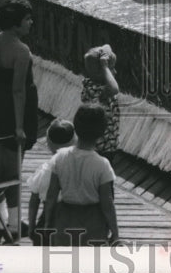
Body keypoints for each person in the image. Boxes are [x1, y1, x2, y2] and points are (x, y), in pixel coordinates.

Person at [0, 0, 38, 243]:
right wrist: (20, 126)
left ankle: (1, 219)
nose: (31, 22)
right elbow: (18, 91)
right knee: (13, 170)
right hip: (15, 111)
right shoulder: (21, 51)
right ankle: (12, 225)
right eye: (27, 19)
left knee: (1, 167)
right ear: (16, 24)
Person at [44, 103, 121, 246]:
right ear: (102, 132)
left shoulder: (59, 158)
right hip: (93, 224)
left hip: (65, 220)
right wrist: (115, 233)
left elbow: (51, 196)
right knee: (91, 264)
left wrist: (48, 223)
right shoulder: (102, 164)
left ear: (75, 128)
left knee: (65, 263)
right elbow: (107, 203)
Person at [27, 118, 76, 245]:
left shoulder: (44, 170)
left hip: (48, 222)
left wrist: (31, 226)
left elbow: (34, 201)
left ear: (48, 143)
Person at [80, 45, 120, 160]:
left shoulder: (95, 84)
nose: (115, 72)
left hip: (107, 144)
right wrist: (105, 66)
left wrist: (104, 55)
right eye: (112, 69)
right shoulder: (95, 90)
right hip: (101, 147)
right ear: (100, 72)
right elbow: (115, 89)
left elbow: (107, 46)